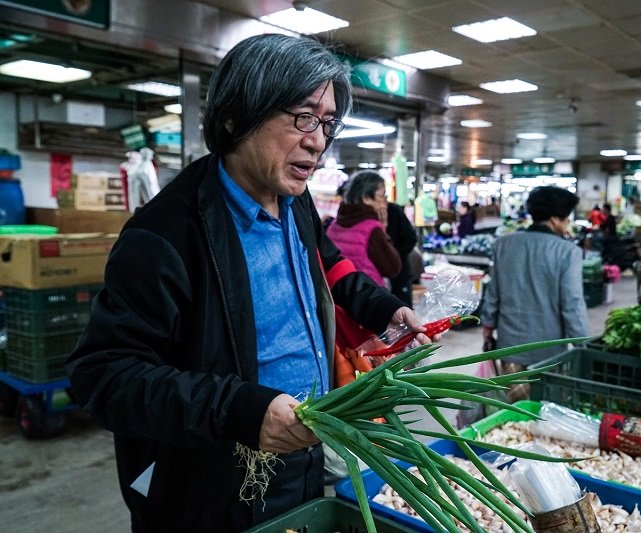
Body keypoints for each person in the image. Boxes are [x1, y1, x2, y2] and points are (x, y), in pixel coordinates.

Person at [65, 34, 433, 533]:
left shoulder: (296, 202)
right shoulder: (168, 234)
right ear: (236, 116)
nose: (319, 141)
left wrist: (384, 309)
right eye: (303, 117)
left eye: (327, 123)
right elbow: (104, 376)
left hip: (302, 444)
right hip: (210, 477)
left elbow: (326, 266)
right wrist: (241, 410)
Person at [481, 186, 590, 398]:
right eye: (567, 217)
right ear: (555, 219)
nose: (568, 223)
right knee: (546, 412)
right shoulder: (568, 252)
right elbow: (572, 305)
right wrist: (583, 345)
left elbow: (493, 293)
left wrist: (487, 327)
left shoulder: (504, 244)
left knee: (516, 415)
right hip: (549, 352)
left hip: (510, 347)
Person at [326, 170, 401, 287]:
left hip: (338, 295)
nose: (385, 202)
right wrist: (383, 229)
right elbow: (392, 268)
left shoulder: (333, 226)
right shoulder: (372, 229)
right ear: (366, 198)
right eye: (382, 196)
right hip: (367, 296)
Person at [386, 200, 418, 307]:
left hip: (399, 272)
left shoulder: (393, 210)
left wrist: (394, 256)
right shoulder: (364, 217)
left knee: (402, 309)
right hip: (378, 278)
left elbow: (411, 238)